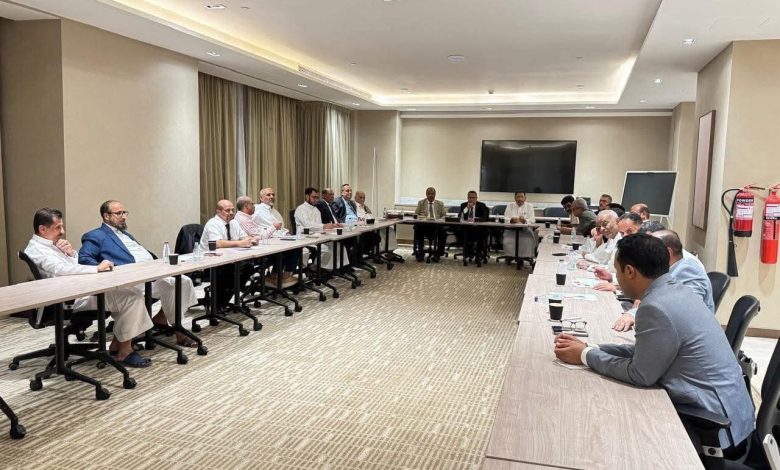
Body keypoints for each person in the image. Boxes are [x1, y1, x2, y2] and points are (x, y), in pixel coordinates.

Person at [555, 234, 755, 450]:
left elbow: (640, 374)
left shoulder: (655, 307)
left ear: (630, 271)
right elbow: (648, 352)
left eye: (617, 270)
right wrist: (592, 348)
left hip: (712, 427)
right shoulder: (677, 290)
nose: (616, 277)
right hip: (735, 416)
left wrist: (584, 356)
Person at [25, 208, 153, 367]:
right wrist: (96, 268)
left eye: (62, 226)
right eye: (58, 227)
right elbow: (60, 270)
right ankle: (124, 351)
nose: (62, 231)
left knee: (130, 293)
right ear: (42, 229)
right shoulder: (36, 250)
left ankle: (117, 345)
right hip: (67, 300)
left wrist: (71, 254)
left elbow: (72, 265)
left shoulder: (51, 245)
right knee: (131, 297)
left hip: (78, 291)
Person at [79, 200, 199, 347]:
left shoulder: (126, 235)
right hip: (128, 281)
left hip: (148, 275)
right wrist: (105, 268)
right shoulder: (95, 235)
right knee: (152, 291)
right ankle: (178, 333)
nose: (124, 216)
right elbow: (84, 259)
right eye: (119, 213)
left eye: (125, 213)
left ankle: (170, 322)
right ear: (106, 216)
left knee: (182, 282)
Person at [199, 200, 256, 311]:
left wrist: (251, 240)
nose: (231, 213)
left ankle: (224, 298)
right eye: (227, 210)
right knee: (227, 271)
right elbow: (217, 243)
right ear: (218, 212)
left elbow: (244, 237)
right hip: (210, 262)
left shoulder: (233, 223)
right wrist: (240, 243)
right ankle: (218, 303)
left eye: (232, 210)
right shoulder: (213, 223)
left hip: (229, 259)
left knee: (248, 267)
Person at [236, 196, 296, 287]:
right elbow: (260, 237)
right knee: (286, 251)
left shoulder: (247, 217)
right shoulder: (243, 220)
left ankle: (275, 276)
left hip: (258, 246)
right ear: (246, 205)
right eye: (252, 204)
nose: (254, 206)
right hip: (252, 252)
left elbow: (259, 233)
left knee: (288, 248)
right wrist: (273, 227)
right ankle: (279, 276)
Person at [252, 188, 301, 285]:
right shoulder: (257, 210)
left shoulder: (274, 211)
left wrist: (287, 234)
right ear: (261, 198)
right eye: (268, 195)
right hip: (265, 242)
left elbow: (281, 227)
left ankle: (281, 275)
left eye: (273, 195)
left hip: (278, 240)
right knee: (291, 250)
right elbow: (267, 229)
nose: (271, 197)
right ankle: (279, 276)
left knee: (296, 246)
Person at [294, 187, 348, 270]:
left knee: (339, 247)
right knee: (326, 250)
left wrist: (331, 226)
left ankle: (338, 268)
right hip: (305, 237)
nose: (316, 199)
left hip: (318, 237)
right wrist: (323, 226)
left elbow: (319, 226)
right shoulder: (300, 209)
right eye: (313, 197)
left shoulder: (317, 210)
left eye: (317, 197)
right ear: (307, 196)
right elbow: (307, 224)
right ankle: (316, 267)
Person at [355, 190, 398, 255]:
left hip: (372, 225)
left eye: (364, 198)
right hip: (365, 228)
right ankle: (380, 253)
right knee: (381, 234)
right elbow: (360, 219)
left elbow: (371, 216)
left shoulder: (365, 207)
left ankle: (389, 252)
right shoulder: (354, 207)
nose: (362, 199)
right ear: (356, 197)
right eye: (360, 197)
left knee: (390, 230)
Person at [413, 187, 447, 262]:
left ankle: (438, 254)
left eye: (432, 194)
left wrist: (439, 220)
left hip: (436, 226)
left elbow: (444, 215)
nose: (431, 195)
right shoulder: (421, 203)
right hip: (424, 225)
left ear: (435, 194)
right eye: (429, 194)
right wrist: (421, 217)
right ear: (426, 194)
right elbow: (416, 214)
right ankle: (420, 252)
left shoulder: (440, 204)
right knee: (417, 228)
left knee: (443, 232)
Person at [502, 191, 536, 259]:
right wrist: (511, 220)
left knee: (526, 240)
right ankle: (510, 256)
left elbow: (532, 220)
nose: (520, 199)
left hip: (525, 231)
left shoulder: (529, 206)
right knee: (508, 240)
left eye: (521, 197)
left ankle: (524, 257)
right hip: (511, 231)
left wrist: (525, 221)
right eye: (518, 197)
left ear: (525, 198)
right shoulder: (510, 205)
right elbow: (505, 219)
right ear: (515, 198)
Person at [458, 190, 489, 262]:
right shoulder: (463, 205)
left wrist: (475, 220)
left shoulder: (482, 205)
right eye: (470, 198)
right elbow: (460, 216)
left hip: (478, 228)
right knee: (462, 232)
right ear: (467, 198)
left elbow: (485, 217)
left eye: (473, 198)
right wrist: (467, 208)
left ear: (476, 198)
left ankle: (478, 254)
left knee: (482, 234)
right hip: (467, 228)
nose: (472, 199)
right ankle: (468, 254)